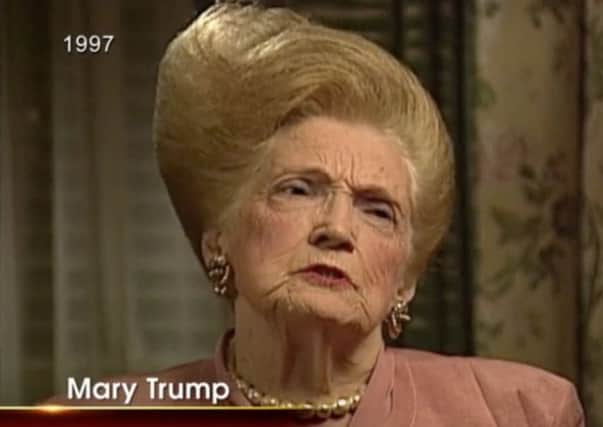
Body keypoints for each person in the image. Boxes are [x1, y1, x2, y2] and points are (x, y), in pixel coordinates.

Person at [46, 2, 584, 425]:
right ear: (218, 238)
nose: (336, 229)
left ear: (406, 279)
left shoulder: (524, 412)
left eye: (378, 211)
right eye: (298, 190)